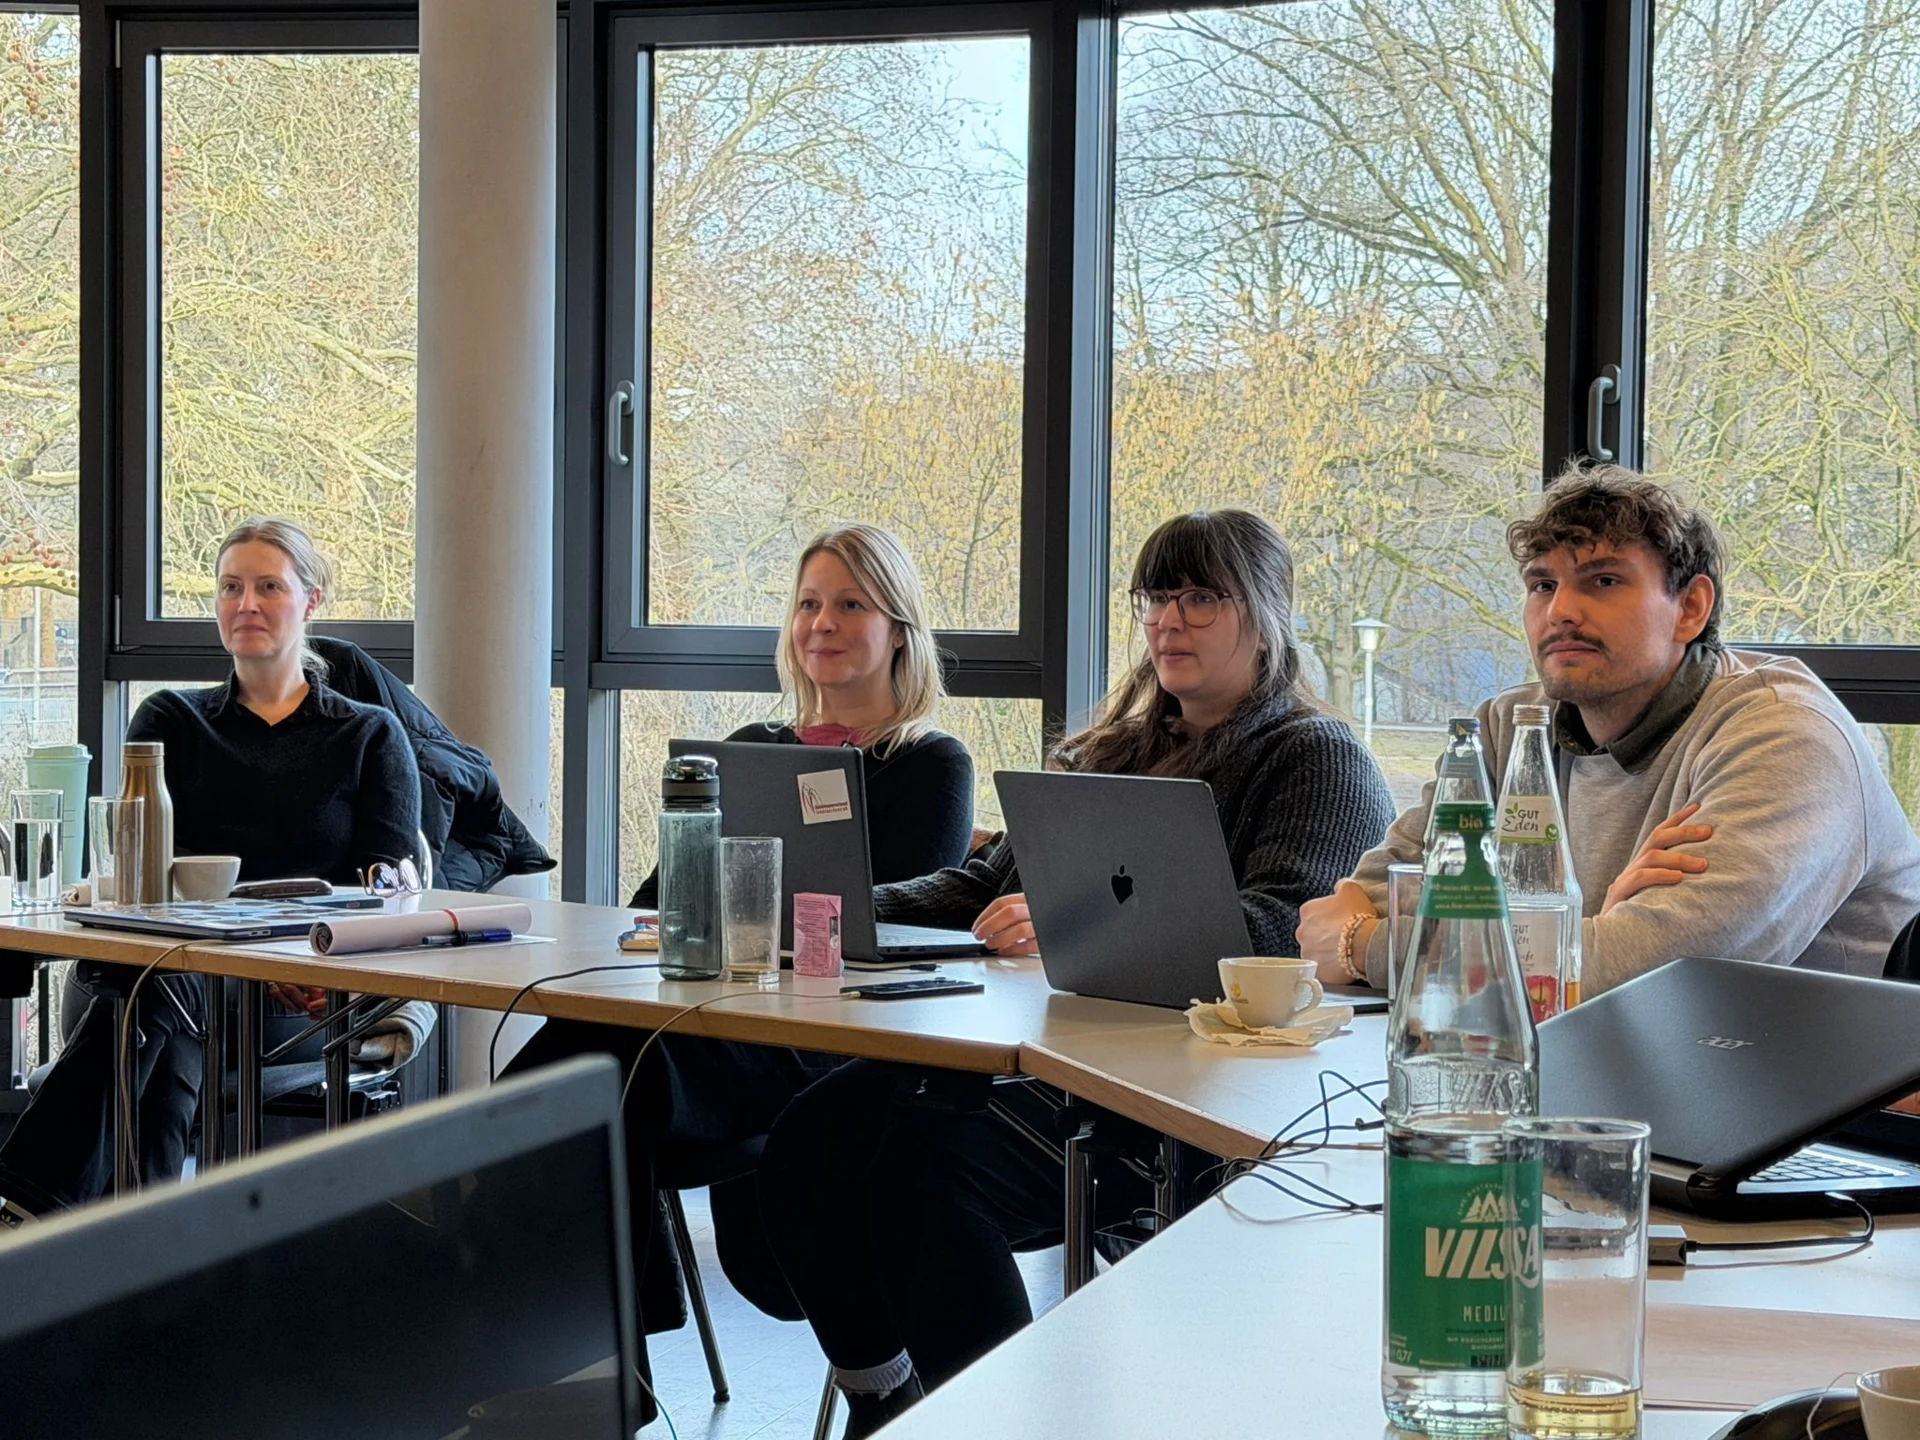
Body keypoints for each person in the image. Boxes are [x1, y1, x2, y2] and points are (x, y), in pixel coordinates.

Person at [755, 509, 1397, 1435]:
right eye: (1156, 598)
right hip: (1054, 1057)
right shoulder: (1113, 750)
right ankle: (887, 1399)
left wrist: (1075, 919)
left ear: (1265, 616)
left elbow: (1288, 933)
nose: (1168, 620)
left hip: (1195, 1096)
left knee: (924, 1177)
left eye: (1201, 598)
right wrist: (838, 908)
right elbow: (981, 885)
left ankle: (1000, 1426)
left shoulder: (1315, 757)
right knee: (809, 1142)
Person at [501, 524, 974, 1410]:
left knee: (609, 1073)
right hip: (717, 1021)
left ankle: (603, 1368)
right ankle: (584, 1359)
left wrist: (747, 906)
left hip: (829, 1043)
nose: (821, 623)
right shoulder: (752, 744)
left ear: (899, 629)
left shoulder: (926, 762)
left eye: (850, 604)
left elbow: (892, 918)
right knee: (545, 1082)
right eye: (808, 604)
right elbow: (655, 898)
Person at [1298, 464, 1920, 996]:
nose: (1561, 611)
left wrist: (1369, 947)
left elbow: (1666, 977)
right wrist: (1594, 926)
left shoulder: (1784, 735)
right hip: (1602, 1062)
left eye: (1603, 581)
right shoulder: (1507, 728)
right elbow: (1372, 896)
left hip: (1816, 1090)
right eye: (1543, 585)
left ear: (1691, 608)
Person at [0, 518, 421, 1227]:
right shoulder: (169, 719)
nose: (246, 604)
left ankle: (33, 1208)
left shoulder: (368, 735)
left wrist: (313, 963)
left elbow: (393, 896)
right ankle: (145, 1248)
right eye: (230, 587)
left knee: (156, 1023)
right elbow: (136, 878)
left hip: (293, 1000)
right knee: (163, 991)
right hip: (161, 977)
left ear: (311, 601)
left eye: (269, 587)